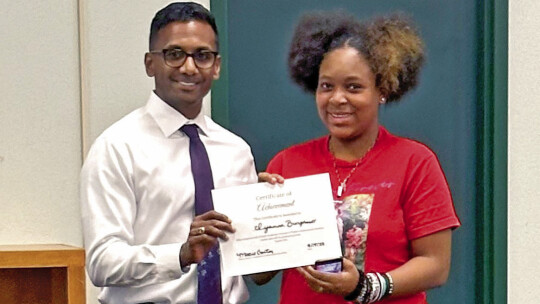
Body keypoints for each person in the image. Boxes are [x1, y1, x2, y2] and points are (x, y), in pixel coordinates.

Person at [253, 11, 461, 304]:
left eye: (353, 87)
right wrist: (260, 218)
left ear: (382, 90)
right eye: (327, 86)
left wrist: (365, 287)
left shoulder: (414, 162)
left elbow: (436, 266)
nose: (338, 99)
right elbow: (259, 275)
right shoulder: (286, 165)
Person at [80, 2, 257, 303]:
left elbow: (251, 260)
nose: (189, 67)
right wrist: (181, 254)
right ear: (150, 63)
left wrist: (275, 214)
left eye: (202, 56)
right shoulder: (118, 147)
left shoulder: (237, 151)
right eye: (175, 54)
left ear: (216, 66)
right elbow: (102, 262)